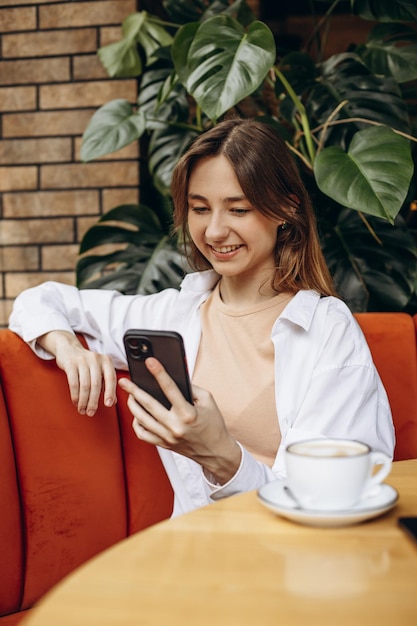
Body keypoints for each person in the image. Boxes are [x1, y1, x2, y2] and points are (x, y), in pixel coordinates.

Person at [9, 118, 395, 517]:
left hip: (299, 560)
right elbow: (38, 302)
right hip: (195, 550)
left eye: (238, 209)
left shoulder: (328, 330)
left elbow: (330, 501)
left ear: (285, 208)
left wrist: (223, 456)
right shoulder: (170, 315)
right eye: (199, 208)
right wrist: (69, 348)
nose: (213, 231)